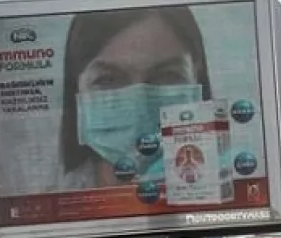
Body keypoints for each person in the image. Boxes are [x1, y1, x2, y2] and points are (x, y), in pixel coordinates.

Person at [59, 7, 211, 189]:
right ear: (76, 86)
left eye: (167, 76)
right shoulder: (49, 208)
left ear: (197, 76)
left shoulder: (240, 191)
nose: (141, 110)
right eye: (108, 79)